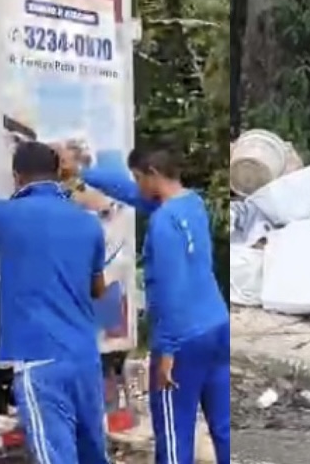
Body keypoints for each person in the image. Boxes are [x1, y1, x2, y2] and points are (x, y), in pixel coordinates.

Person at [82, 141, 230, 464]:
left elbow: (169, 292)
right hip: (217, 326)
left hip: (184, 339)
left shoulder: (163, 222)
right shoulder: (192, 203)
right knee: (223, 426)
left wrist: (166, 352)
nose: (136, 186)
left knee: (174, 432)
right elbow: (130, 193)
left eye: (138, 178)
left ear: (152, 173)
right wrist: (83, 173)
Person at [0, 141, 109, 464]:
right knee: (92, 454)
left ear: (17, 177)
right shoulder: (89, 223)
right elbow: (98, 289)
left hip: (40, 360)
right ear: (58, 172)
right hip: (85, 357)